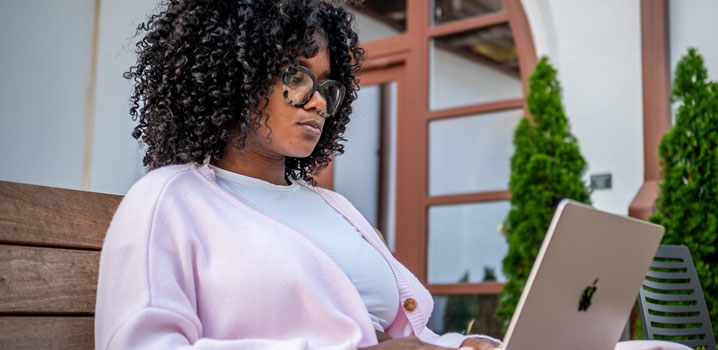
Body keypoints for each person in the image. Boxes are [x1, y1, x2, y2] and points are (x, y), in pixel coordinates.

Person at [94, 1, 501, 349]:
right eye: (296, 77)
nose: (318, 102)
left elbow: (401, 337)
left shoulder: (333, 206)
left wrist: (457, 344)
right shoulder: (167, 200)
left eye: (326, 86)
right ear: (237, 76)